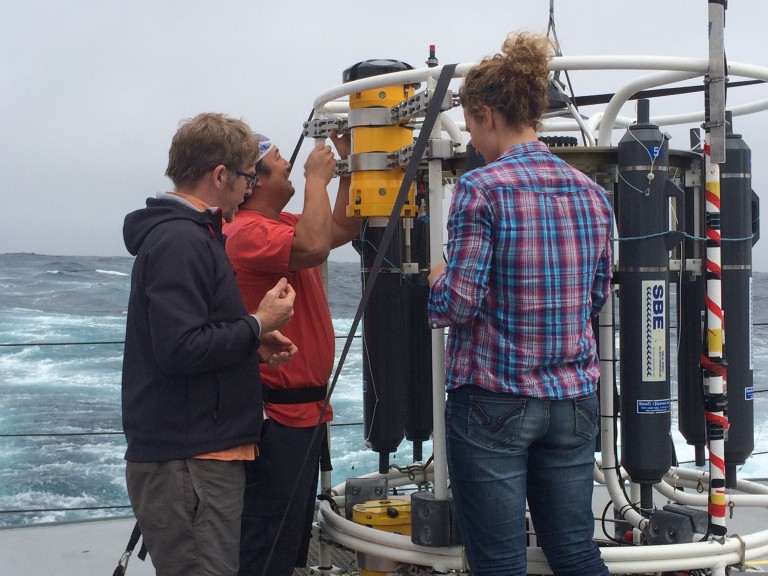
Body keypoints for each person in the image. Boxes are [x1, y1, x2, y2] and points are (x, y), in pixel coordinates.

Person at [427, 33, 614, 576]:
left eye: (469, 123)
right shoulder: (591, 193)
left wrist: (437, 279)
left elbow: (457, 305)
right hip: (574, 399)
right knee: (576, 551)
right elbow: (597, 294)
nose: (471, 139)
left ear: (487, 114)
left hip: (494, 400)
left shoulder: (480, 189)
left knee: (500, 562)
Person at [121, 112, 298, 576]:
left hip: (194, 452)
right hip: (190, 461)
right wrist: (257, 325)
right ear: (220, 175)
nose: (248, 188)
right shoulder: (181, 242)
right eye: (245, 176)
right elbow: (179, 349)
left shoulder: (190, 236)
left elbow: (186, 338)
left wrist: (250, 343)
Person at [223, 130, 360, 576]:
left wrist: (348, 163)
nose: (288, 163)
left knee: (287, 544)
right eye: (280, 158)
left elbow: (342, 227)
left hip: (305, 416)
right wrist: (316, 179)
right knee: (265, 544)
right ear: (255, 181)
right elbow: (314, 246)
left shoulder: (280, 223)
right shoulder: (246, 232)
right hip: (275, 421)